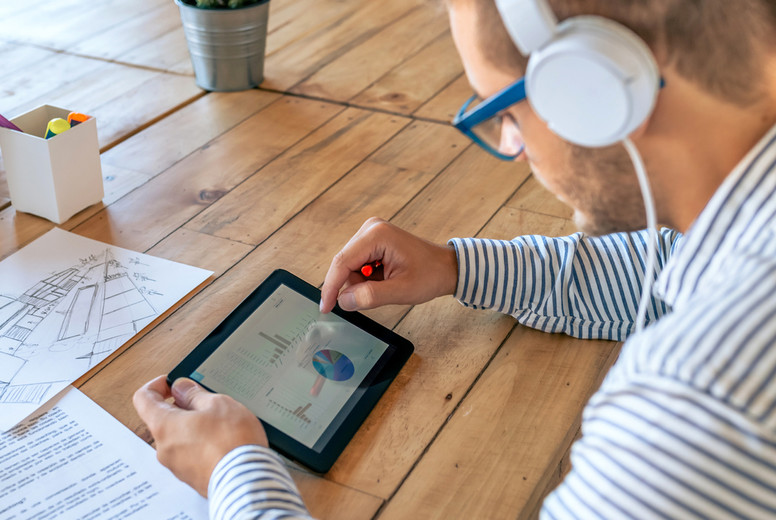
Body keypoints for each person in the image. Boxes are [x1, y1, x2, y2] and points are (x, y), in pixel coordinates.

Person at [133, 0, 776, 517]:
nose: (514, 145)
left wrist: (235, 474)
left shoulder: (703, 398)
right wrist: (456, 268)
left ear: (597, 90)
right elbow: (666, 266)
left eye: (505, 110)